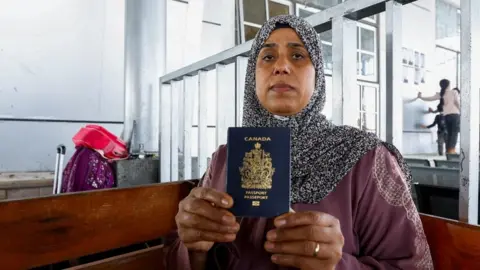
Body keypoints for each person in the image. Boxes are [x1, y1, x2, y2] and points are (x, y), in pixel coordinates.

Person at [165, 15, 433, 270]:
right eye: (268, 57)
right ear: (252, 78)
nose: (281, 66)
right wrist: (194, 248)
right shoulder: (225, 157)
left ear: (317, 76)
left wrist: (336, 265)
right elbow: (183, 256)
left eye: (297, 55)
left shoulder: (365, 158)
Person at [418, 79, 460, 154]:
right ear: (448, 85)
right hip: (455, 115)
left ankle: (448, 151)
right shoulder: (454, 92)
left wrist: (420, 97)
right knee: (454, 134)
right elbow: (457, 102)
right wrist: (462, 111)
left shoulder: (441, 94)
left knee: (450, 133)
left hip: (446, 116)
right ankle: (451, 151)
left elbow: (430, 98)